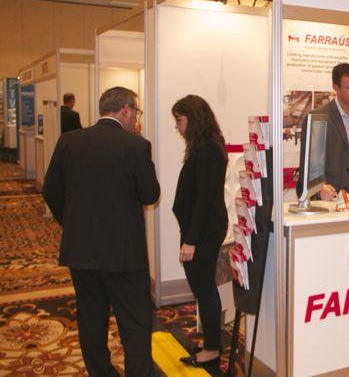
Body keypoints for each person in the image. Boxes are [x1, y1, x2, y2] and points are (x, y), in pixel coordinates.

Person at [42, 86, 160, 377]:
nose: (136, 118)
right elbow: (150, 194)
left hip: (81, 250)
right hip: (124, 254)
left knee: (91, 319)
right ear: (125, 110)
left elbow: (51, 191)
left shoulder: (69, 141)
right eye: (136, 112)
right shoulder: (136, 145)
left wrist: (72, 224)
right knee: (135, 322)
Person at [171, 95, 228, 369]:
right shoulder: (206, 146)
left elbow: (205, 199)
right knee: (204, 289)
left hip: (203, 232)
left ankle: (212, 349)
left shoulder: (207, 150)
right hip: (202, 229)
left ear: (192, 119)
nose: (177, 126)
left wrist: (190, 241)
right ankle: (211, 343)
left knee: (204, 290)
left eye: (179, 120)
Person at [296, 63, 349, 200]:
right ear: (336, 87)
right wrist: (319, 190)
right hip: (334, 194)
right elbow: (309, 165)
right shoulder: (318, 117)